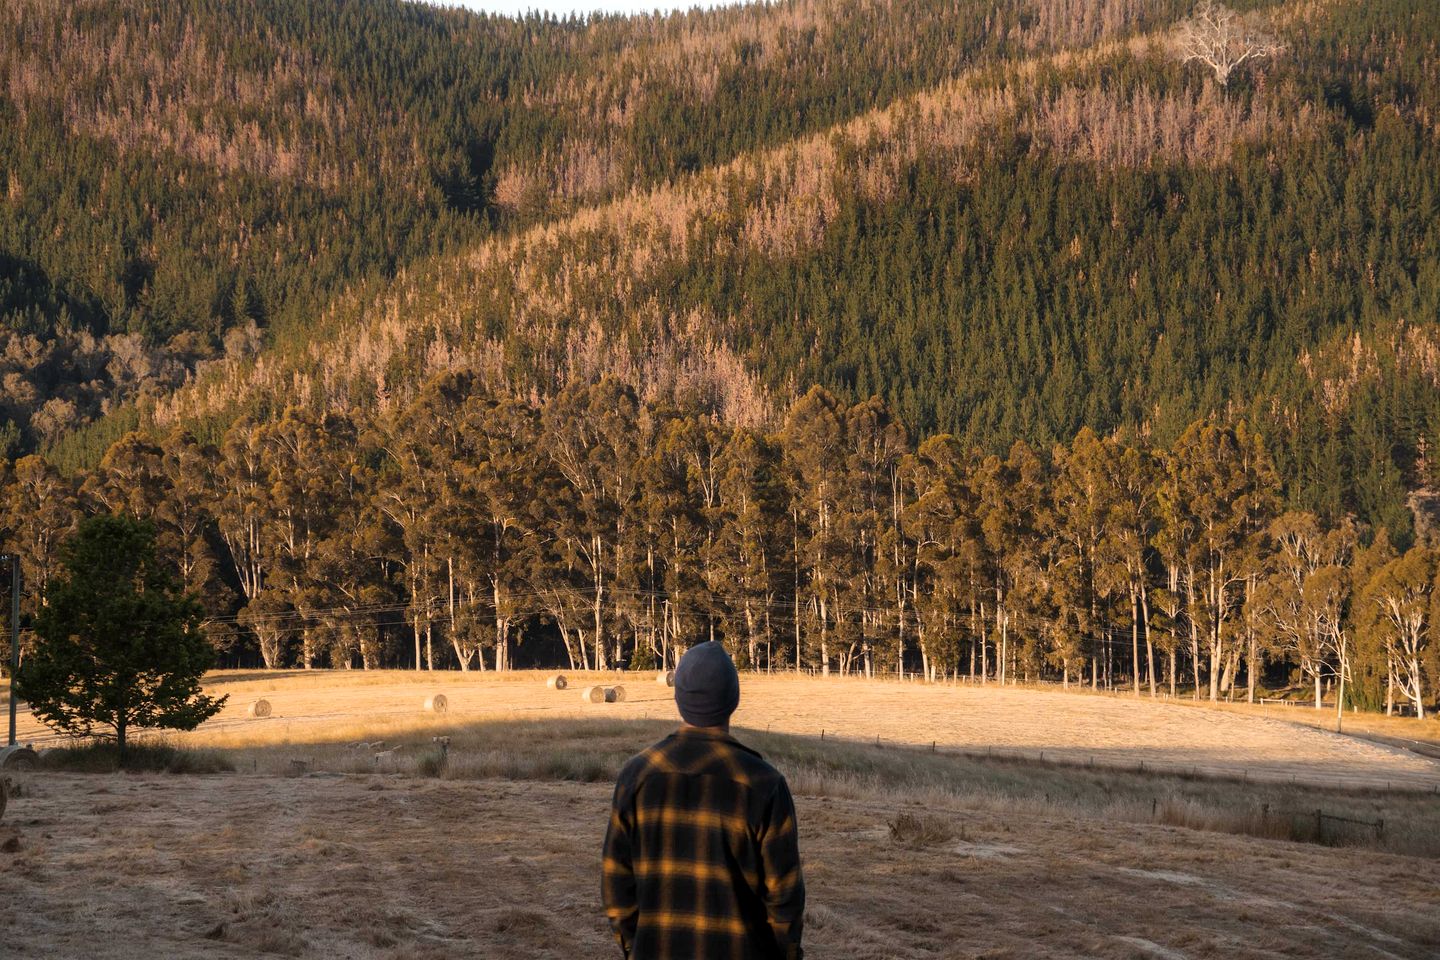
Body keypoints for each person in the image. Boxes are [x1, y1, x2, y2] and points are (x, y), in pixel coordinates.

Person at [602, 641, 805, 959]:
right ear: (733, 699)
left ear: (679, 697)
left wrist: (635, 947)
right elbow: (785, 901)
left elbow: (617, 885)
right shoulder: (764, 784)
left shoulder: (636, 776)